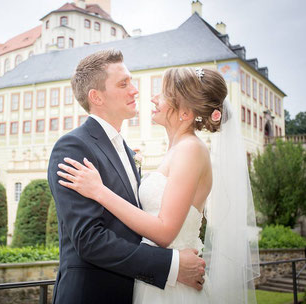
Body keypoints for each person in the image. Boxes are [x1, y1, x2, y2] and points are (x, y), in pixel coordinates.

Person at [57, 66, 260, 303]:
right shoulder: (176, 150)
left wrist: (99, 191)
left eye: (163, 94)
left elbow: (164, 232)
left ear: (184, 113)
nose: (154, 98)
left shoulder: (190, 149)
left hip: (173, 289)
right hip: (155, 279)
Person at [47, 50, 206, 304]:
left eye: (131, 81)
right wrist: (172, 266)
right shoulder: (72, 147)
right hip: (92, 295)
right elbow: (89, 240)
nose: (135, 90)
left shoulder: (128, 152)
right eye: (124, 84)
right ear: (96, 97)